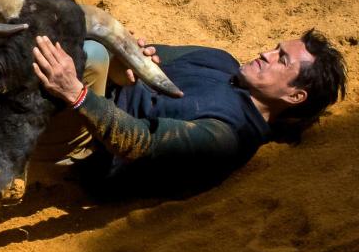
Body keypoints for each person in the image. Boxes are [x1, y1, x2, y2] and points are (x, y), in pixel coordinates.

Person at [30, 29, 347, 197]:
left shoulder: (227, 136)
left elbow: (135, 143)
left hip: (86, 143)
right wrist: (131, 58)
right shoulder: (220, 60)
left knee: (90, 54)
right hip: (88, 93)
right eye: (275, 48)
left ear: (295, 95)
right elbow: (139, 53)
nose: (266, 54)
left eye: (281, 60)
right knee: (75, 29)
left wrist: (76, 92)